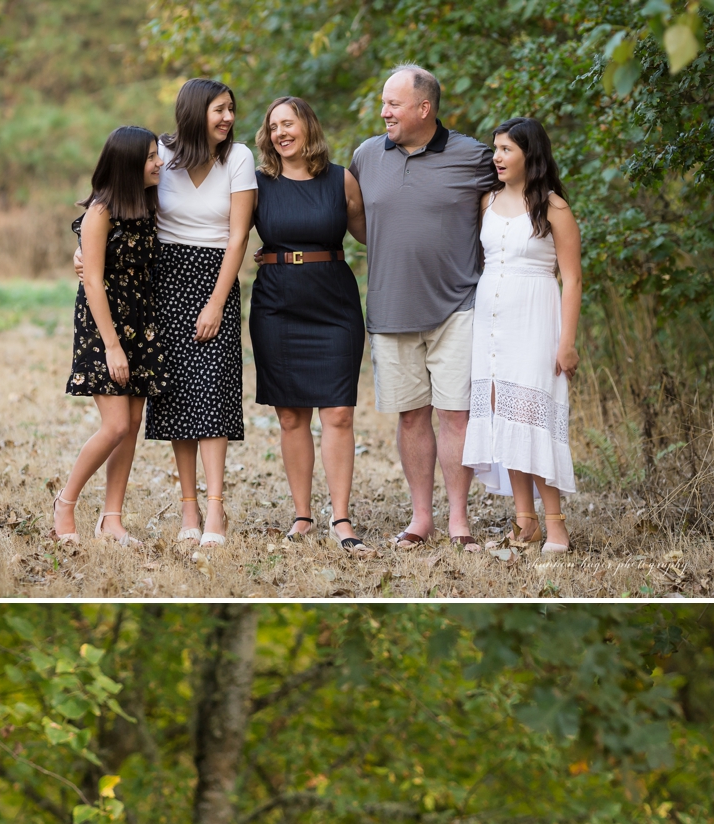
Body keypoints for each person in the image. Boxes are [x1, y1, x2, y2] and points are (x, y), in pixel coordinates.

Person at [348, 65, 496, 551]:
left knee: (456, 416)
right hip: (391, 307)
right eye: (384, 103)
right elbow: (349, 214)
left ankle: (458, 520)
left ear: (424, 108)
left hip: (459, 306)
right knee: (411, 417)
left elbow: (513, 199)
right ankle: (420, 519)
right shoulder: (367, 156)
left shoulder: (473, 156)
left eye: (393, 104)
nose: (384, 112)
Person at [250, 98, 368, 553]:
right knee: (290, 414)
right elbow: (223, 232)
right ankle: (302, 516)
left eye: (288, 123)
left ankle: (341, 518)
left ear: (308, 127)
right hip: (277, 304)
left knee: (338, 413)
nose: (280, 132)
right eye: (273, 126)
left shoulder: (342, 180)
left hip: (334, 304)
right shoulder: (258, 184)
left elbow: (375, 233)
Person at [462, 117, 581, 555]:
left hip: (536, 320)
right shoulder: (487, 201)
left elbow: (572, 278)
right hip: (491, 322)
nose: (496, 157)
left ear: (530, 155)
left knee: (532, 417)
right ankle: (525, 520)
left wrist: (566, 342)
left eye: (506, 149)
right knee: (505, 416)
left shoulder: (554, 208)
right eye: (495, 148)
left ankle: (556, 526)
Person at [146, 78, 256, 549]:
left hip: (216, 278)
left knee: (211, 391)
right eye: (219, 109)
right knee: (176, 396)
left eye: (231, 109)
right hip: (166, 280)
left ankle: (215, 508)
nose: (228, 117)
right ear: (195, 112)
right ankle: (188, 507)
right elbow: (117, 197)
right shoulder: (160, 154)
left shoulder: (239, 158)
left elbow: (238, 236)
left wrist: (215, 301)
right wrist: (82, 247)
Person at [54, 127, 168, 548]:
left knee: (132, 424)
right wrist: (112, 346)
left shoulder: (147, 205)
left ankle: (111, 520)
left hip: (142, 320)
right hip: (105, 325)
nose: (159, 163)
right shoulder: (101, 212)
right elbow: (92, 282)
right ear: (128, 163)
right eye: (151, 157)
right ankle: (65, 503)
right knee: (116, 424)